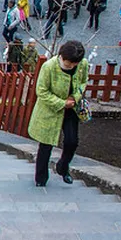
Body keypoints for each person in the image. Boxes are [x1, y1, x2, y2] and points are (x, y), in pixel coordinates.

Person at [28, 40, 90, 187]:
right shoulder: (49, 67)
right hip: (50, 109)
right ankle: (41, 178)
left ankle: (63, 166)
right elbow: (42, 91)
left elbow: (83, 82)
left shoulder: (82, 64)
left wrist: (75, 97)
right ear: (62, 56)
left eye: (74, 64)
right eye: (68, 64)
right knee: (46, 144)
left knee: (72, 141)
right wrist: (61, 103)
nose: (71, 67)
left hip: (71, 108)